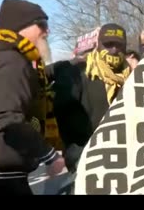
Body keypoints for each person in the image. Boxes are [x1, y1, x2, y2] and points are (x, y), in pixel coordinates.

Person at [0, 0, 65, 195]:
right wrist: (49, 155)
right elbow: (6, 118)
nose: (46, 31)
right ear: (22, 27)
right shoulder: (10, 60)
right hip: (3, 174)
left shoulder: (2, 56)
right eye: (41, 24)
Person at [49, 23, 131, 174]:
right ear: (98, 45)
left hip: (122, 157)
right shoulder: (79, 71)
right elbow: (63, 112)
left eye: (119, 45)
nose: (113, 50)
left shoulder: (132, 77)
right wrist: (75, 152)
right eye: (108, 44)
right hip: (85, 156)